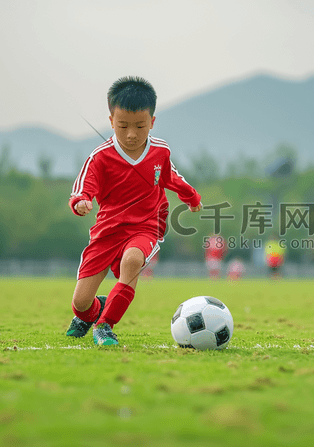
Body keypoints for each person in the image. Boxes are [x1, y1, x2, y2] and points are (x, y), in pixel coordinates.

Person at [66, 76, 202, 346]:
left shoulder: (160, 152)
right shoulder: (100, 157)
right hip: (106, 232)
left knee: (132, 261)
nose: (131, 134)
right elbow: (84, 186)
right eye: (123, 126)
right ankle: (94, 312)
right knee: (80, 304)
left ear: (151, 121)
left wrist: (191, 196)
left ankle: (105, 325)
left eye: (140, 126)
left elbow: (171, 178)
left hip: (146, 226)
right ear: (111, 121)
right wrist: (81, 201)